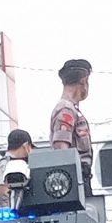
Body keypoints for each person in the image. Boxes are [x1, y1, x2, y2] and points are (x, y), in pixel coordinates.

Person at [46, 58, 96, 197]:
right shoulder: (66, 110)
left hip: (80, 178)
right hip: (76, 181)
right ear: (83, 81)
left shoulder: (71, 109)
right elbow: (61, 149)